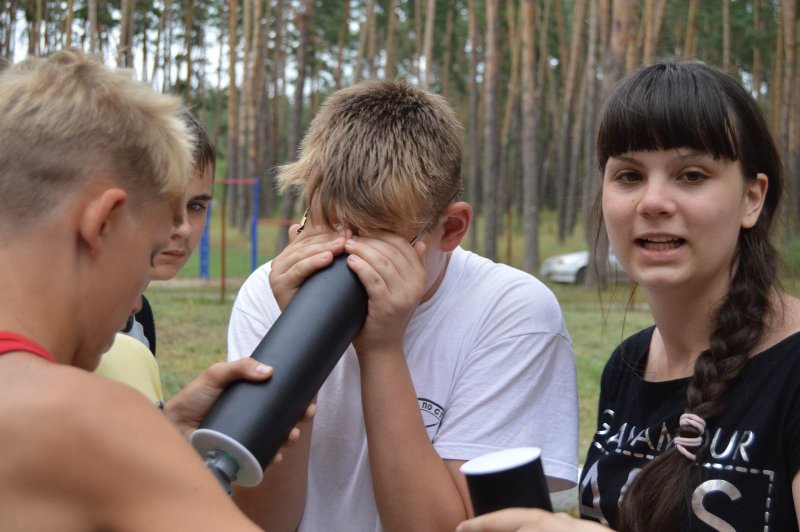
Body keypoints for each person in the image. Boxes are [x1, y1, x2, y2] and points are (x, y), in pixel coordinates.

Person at [458, 62, 800, 532]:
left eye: (693, 174)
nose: (653, 201)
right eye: (629, 175)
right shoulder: (628, 364)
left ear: (752, 199)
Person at [227, 79, 579, 531]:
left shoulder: (512, 312)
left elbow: (446, 528)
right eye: (324, 227)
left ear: (450, 229)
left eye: (378, 239)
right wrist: (298, 339)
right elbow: (261, 522)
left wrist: (382, 349)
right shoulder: (269, 293)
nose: (346, 258)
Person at [0, 49, 272, 530]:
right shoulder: (87, 422)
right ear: (103, 222)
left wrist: (164, 429)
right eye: (148, 252)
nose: (138, 295)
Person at [95, 110, 215, 405]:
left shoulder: (140, 317)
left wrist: (170, 423)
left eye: (196, 206)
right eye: (165, 200)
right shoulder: (72, 327)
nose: (183, 227)